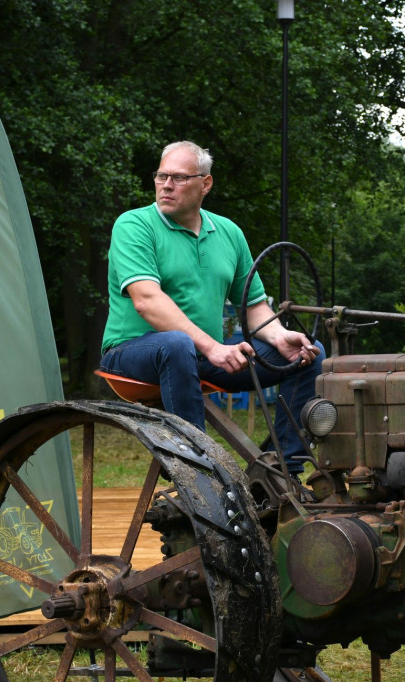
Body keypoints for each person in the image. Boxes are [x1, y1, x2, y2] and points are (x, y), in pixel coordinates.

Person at [100, 141, 323, 475]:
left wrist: (279, 336)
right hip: (131, 354)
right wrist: (212, 347)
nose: (167, 185)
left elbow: (253, 307)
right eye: (161, 176)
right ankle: (199, 473)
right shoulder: (134, 225)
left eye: (179, 177)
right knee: (177, 344)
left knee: (309, 353)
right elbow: (147, 301)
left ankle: (285, 471)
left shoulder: (228, 232)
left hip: (202, 356)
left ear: (205, 183)